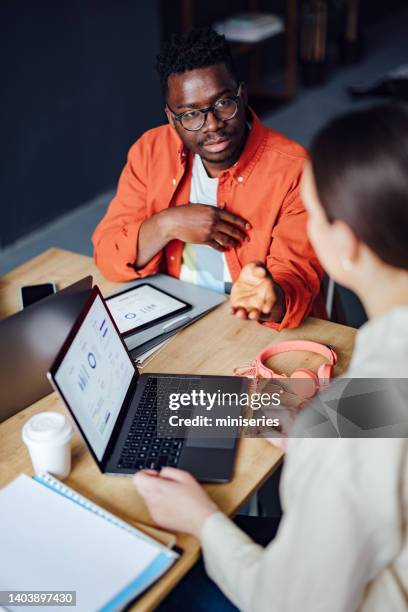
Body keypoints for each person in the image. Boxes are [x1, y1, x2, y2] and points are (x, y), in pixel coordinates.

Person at [133, 104, 408, 611]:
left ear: (343, 244)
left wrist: (202, 520)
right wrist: (310, 430)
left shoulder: (345, 441)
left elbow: (287, 603)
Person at [92, 28, 325, 330]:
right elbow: (107, 255)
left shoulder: (295, 170)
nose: (212, 125)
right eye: (190, 115)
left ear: (242, 94)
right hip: (176, 314)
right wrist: (167, 224)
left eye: (223, 103)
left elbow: (296, 282)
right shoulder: (150, 151)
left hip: (256, 328)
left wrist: (269, 298)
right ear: (170, 118)